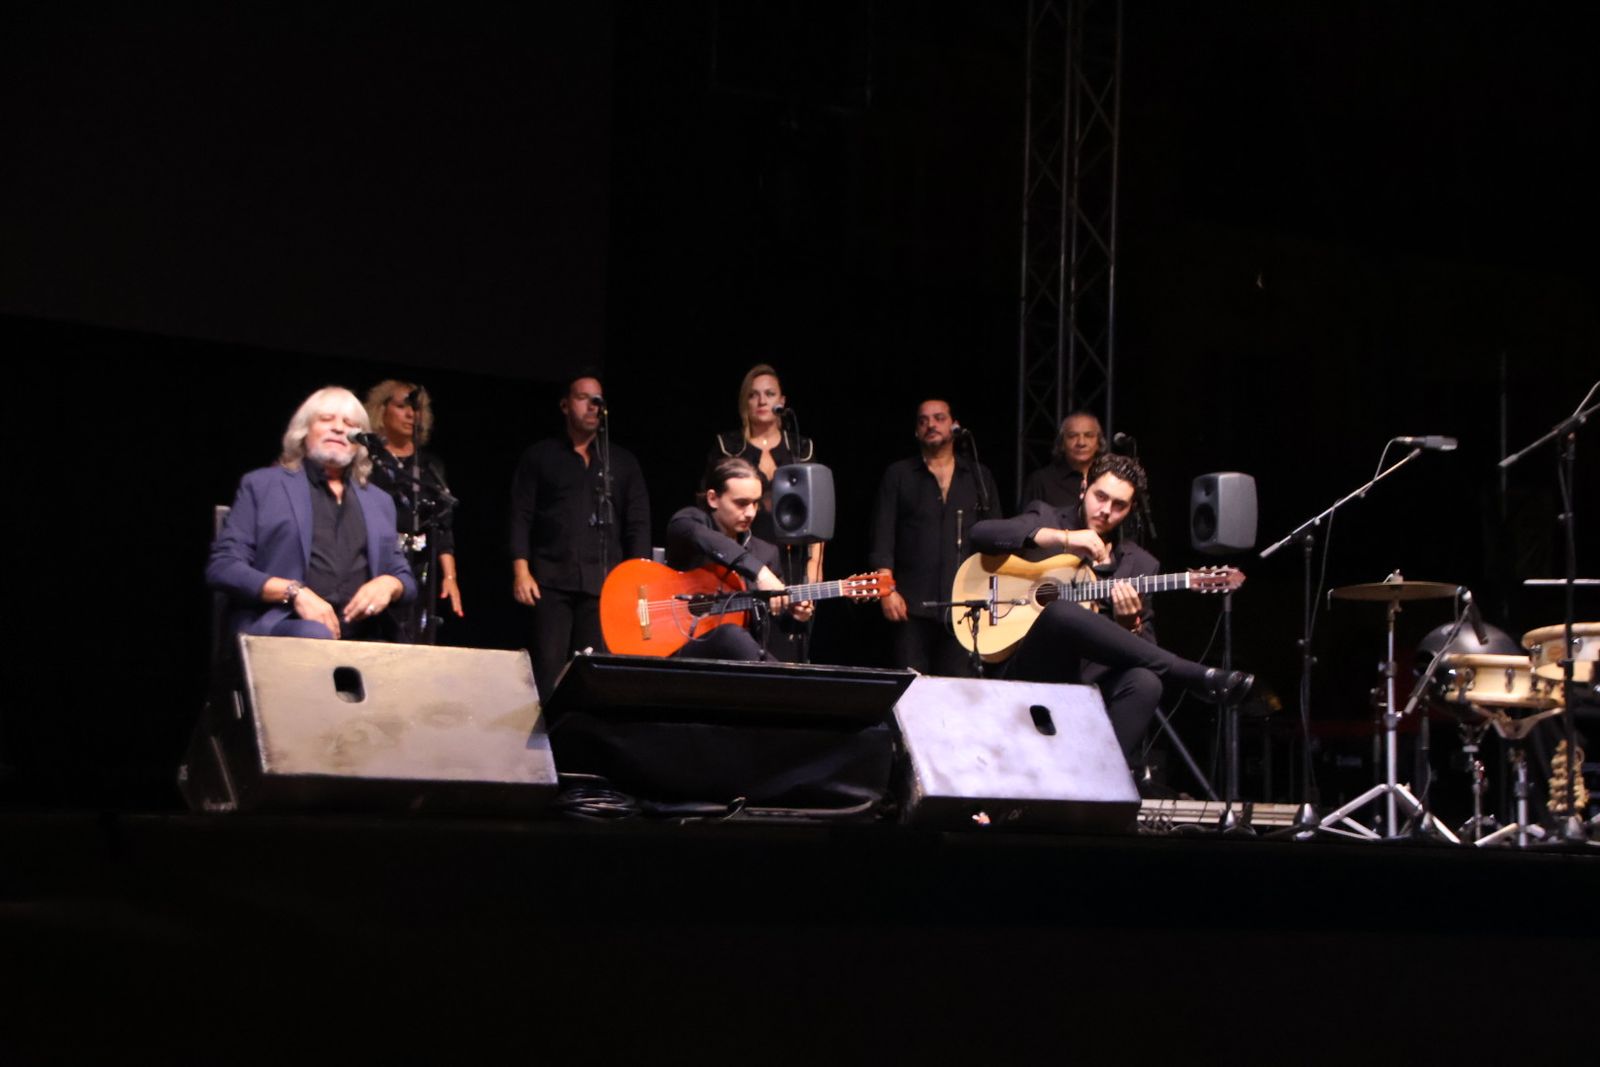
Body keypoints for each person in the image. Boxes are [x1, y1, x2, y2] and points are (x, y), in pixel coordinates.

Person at [969, 452, 1251, 760]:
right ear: (1084, 489)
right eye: (1100, 497)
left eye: (1119, 505)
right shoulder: (1048, 517)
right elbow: (981, 534)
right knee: (1060, 611)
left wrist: (1129, 625)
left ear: (1131, 509)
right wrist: (1063, 538)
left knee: (1146, 682)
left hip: (1088, 680)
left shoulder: (1139, 564)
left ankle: (1100, 774)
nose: (1106, 511)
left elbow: (1146, 651)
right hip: (1033, 665)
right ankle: (1192, 674)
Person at [207, 386, 416, 641]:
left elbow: (404, 577)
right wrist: (294, 592)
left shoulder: (378, 501)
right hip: (287, 626)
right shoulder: (263, 486)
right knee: (315, 634)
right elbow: (224, 567)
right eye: (326, 419)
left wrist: (389, 584)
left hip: (363, 634)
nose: (338, 428)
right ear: (303, 431)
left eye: (349, 424)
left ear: (360, 442)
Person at [510, 372, 651, 698]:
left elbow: (638, 525)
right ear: (565, 405)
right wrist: (521, 570)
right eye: (583, 398)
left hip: (604, 585)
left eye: (597, 400)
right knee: (547, 671)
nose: (592, 406)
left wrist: (637, 582)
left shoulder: (621, 462)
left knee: (593, 674)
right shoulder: (541, 456)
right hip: (550, 582)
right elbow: (521, 515)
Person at [868, 398, 1002, 675]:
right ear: (916, 431)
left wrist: (991, 593)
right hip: (910, 604)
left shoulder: (978, 476)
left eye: (939, 418)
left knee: (959, 688)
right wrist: (886, 591)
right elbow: (883, 536)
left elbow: (996, 536)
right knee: (912, 687)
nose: (931, 425)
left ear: (954, 425)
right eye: (923, 420)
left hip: (965, 603)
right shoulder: (899, 475)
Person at [665, 457, 813, 661]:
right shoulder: (690, 522)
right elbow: (704, 538)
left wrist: (796, 615)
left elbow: (779, 619)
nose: (751, 513)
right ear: (712, 498)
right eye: (741, 503)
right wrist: (759, 572)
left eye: (755, 503)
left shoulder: (765, 553)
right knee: (729, 634)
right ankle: (785, 681)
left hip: (735, 659)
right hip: (679, 645)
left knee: (734, 636)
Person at [363, 379, 462, 643]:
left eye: (416, 408)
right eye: (402, 406)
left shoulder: (430, 466)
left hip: (420, 566)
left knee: (416, 637)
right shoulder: (367, 460)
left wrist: (450, 577)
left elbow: (443, 526)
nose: (411, 414)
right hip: (375, 562)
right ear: (381, 410)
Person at [1019, 410, 1104, 518]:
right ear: (1062, 443)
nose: (1081, 443)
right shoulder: (1041, 480)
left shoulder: (1109, 479)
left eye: (1089, 435)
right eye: (1072, 436)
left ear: (1098, 443)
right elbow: (1025, 524)